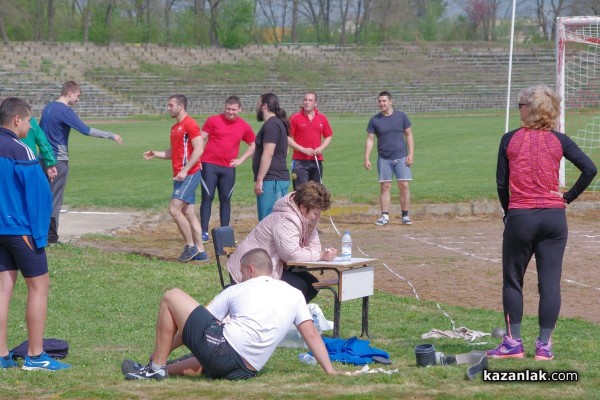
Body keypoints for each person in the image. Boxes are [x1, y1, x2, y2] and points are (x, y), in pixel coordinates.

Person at [487, 85, 597, 361]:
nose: (518, 109)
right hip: (554, 218)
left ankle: (513, 344)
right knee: (550, 284)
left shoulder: (509, 139)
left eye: (521, 104)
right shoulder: (559, 140)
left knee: (513, 281)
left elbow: (501, 183)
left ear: (532, 108)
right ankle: (544, 347)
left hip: (521, 216)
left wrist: (508, 211)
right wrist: (567, 198)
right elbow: (590, 168)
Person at [123, 248, 343, 380]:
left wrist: (160, 351)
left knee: (172, 295)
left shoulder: (237, 289)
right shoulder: (295, 294)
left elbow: (192, 329)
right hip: (246, 370)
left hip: (224, 353)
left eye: (241, 271)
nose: (240, 276)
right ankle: (166, 370)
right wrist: (330, 371)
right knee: (210, 350)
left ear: (250, 269)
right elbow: (312, 335)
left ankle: (155, 369)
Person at [0, 97, 70, 371]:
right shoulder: (22, 151)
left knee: (3, 290)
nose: (30, 126)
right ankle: (36, 355)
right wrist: (40, 236)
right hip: (21, 231)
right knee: (39, 287)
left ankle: (2, 354)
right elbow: (39, 197)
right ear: (17, 120)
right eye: (29, 120)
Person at [40, 80, 123, 244]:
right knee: (55, 199)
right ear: (69, 93)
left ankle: (39, 233)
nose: (78, 100)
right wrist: (111, 135)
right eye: (77, 96)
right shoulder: (65, 110)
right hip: (58, 160)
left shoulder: (48, 107)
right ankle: (51, 237)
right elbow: (86, 130)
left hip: (43, 159)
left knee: (43, 196)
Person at [227, 181, 337, 303]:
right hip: (250, 269)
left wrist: (313, 252)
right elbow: (291, 255)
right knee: (299, 288)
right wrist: (321, 255)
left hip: (273, 265)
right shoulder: (287, 220)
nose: (317, 217)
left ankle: (287, 318)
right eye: (316, 213)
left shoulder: (306, 217)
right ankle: (279, 317)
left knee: (312, 285)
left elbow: (314, 245)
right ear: (303, 207)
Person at [143, 94, 208, 263]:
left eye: (171, 105)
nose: (168, 108)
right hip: (180, 176)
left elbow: (199, 149)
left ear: (181, 106)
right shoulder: (175, 128)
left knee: (174, 209)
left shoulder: (190, 124)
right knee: (188, 212)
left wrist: (186, 170)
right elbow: (172, 153)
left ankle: (190, 246)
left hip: (189, 174)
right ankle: (201, 251)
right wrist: (155, 153)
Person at [199, 96, 255, 243]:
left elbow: (253, 144)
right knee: (207, 198)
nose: (230, 112)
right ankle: (203, 232)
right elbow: (200, 139)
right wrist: (198, 159)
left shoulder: (244, 126)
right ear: (224, 107)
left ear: (240, 109)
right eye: (228, 109)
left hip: (228, 168)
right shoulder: (213, 120)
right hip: (209, 165)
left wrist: (241, 160)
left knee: (225, 200)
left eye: (234, 109)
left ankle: (224, 233)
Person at [364, 91, 414, 226]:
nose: (382, 104)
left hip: (402, 157)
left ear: (391, 102)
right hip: (384, 158)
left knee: (404, 185)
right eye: (380, 101)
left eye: (384, 101)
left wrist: (411, 154)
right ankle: (385, 216)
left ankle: (405, 215)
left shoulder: (401, 116)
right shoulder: (375, 120)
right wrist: (367, 158)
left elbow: (409, 135)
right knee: (385, 186)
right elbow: (370, 139)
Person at [252, 93, 290, 221]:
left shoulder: (272, 125)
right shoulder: (276, 123)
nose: (256, 107)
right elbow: (286, 150)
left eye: (258, 103)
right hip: (273, 179)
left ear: (264, 106)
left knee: (270, 222)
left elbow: (268, 153)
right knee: (267, 222)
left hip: (273, 180)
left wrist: (260, 179)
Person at [288, 92, 333, 190]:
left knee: (316, 193)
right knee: (301, 192)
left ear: (315, 103)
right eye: (305, 100)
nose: (307, 102)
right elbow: (287, 137)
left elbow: (328, 136)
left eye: (310, 100)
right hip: (300, 162)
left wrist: (321, 148)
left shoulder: (322, 118)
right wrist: (302, 149)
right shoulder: (295, 118)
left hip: (316, 160)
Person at [20, 116, 58, 182]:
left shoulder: (5, 118)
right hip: (29, 165)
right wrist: (50, 163)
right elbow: (43, 142)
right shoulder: (28, 118)